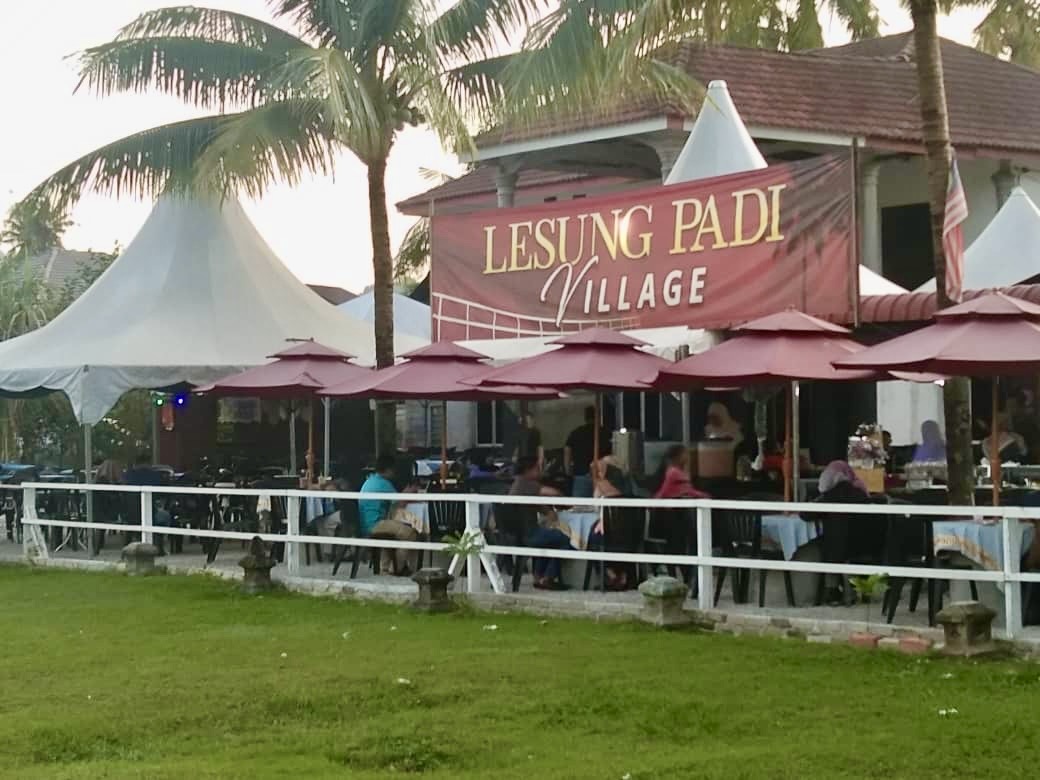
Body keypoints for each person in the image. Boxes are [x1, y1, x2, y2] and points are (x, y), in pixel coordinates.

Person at [508, 455, 572, 590]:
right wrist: (569, 502)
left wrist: (548, 512)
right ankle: (548, 577)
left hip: (517, 535)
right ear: (528, 471)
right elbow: (553, 493)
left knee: (550, 539)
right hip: (530, 534)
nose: (540, 472)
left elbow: (537, 505)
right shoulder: (527, 484)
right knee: (568, 538)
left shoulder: (516, 485)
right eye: (537, 469)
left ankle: (538, 576)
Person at [815, 460, 873, 605]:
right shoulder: (861, 492)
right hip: (863, 545)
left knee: (826, 550)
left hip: (836, 548)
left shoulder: (829, 495)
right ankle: (863, 592)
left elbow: (805, 515)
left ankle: (833, 593)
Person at [360, 455, 420, 575]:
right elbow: (400, 503)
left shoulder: (370, 480)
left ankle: (386, 566)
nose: (395, 473)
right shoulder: (384, 484)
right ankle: (397, 567)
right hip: (376, 524)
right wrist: (408, 492)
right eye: (393, 470)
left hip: (365, 523)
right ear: (388, 469)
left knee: (395, 530)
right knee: (410, 533)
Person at [565, 406, 611, 497]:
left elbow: (567, 451)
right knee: (600, 506)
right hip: (601, 475)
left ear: (585, 417)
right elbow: (611, 454)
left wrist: (568, 469)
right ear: (598, 416)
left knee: (580, 507)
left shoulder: (576, 433)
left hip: (580, 472)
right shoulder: (605, 433)